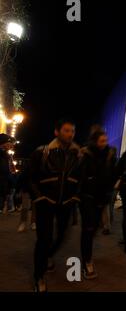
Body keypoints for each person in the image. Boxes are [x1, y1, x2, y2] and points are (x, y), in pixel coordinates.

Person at [30, 119, 81, 292]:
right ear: (56, 132)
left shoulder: (77, 154)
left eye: (72, 131)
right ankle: (39, 276)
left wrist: (75, 197)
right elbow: (29, 178)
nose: (70, 134)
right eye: (66, 130)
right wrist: (38, 198)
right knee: (43, 240)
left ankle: (48, 255)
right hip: (46, 202)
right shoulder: (42, 152)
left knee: (62, 235)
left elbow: (80, 178)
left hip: (65, 203)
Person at [78, 126, 117, 279]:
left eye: (106, 140)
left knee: (93, 228)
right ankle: (87, 262)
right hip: (87, 197)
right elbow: (80, 175)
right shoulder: (86, 154)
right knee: (88, 229)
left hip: (102, 197)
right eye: (102, 141)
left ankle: (86, 252)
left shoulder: (110, 154)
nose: (104, 143)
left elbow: (113, 173)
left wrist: (110, 189)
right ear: (94, 141)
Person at [17, 159, 36, 232]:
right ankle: (24, 222)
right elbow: (21, 178)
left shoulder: (38, 167)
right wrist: (18, 189)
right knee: (25, 206)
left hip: (34, 188)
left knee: (34, 206)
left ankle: (32, 222)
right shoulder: (27, 168)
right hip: (26, 188)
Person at [0, 134, 15, 214]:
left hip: (4, 180)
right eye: (9, 143)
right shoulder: (2, 154)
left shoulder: (6, 155)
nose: (11, 145)